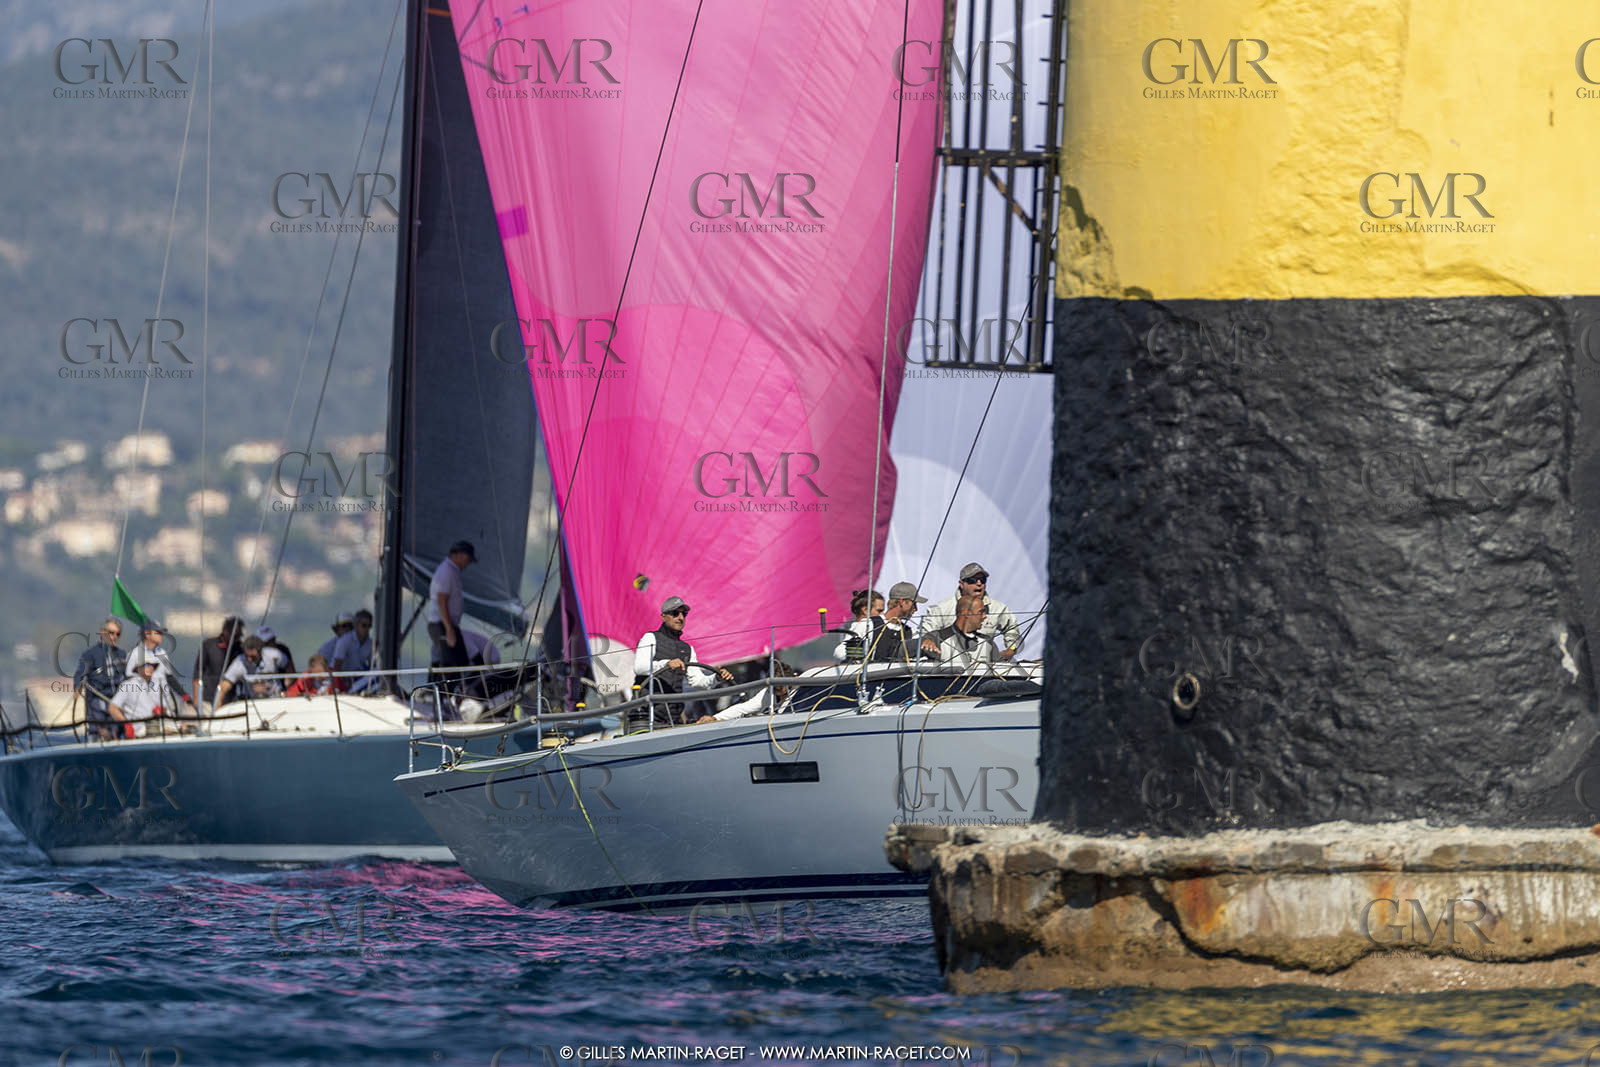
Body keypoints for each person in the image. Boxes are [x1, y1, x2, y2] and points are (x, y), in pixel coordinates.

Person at [632, 595, 733, 724]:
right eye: (675, 613)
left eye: (684, 614)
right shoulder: (650, 638)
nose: (680, 618)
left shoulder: (687, 649)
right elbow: (639, 668)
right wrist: (666, 664)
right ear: (663, 616)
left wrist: (716, 678)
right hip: (647, 717)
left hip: (674, 718)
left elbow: (697, 682)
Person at [920, 562, 1022, 660]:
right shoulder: (941, 609)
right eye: (973, 580)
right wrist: (928, 640)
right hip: (949, 668)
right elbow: (923, 634)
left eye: (983, 580)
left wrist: (1011, 650)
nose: (979, 583)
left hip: (983, 667)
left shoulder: (999, 608)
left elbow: (1012, 629)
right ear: (961, 584)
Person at [428, 541, 475, 692]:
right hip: (442, 624)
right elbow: (442, 601)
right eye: (468, 559)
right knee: (449, 664)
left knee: (461, 662)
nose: (468, 564)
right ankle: (442, 698)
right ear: (460, 555)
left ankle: (452, 696)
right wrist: (448, 629)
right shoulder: (446, 571)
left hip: (448, 624)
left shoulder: (452, 571)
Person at [125, 621, 196, 719]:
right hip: (144, 707)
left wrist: (184, 695)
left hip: (164, 704)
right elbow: (130, 681)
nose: (161, 635)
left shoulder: (162, 653)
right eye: (158, 632)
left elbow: (169, 678)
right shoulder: (135, 654)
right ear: (147, 634)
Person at [72, 617, 127, 740]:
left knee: (118, 732)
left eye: (117, 634)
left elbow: (129, 676)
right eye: (111, 633)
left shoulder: (122, 654)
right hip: (97, 703)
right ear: (102, 632)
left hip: (116, 704)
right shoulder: (90, 654)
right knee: (98, 733)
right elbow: (80, 673)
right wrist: (77, 688)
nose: (114, 637)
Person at [861, 582, 942, 664]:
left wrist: (927, 640)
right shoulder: (869, 625)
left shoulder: (909, 632)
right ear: (902, 602)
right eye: (914, 604)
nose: (916, 609)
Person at [924, 593, 999, 668]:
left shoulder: (988, 642)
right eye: (981, 612)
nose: (985, 616)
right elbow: (913, 651)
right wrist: (923, 641)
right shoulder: (936, 638)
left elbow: (1003, 671)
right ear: (966, 614)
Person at [214, 635, 290, 709]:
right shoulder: (239, 663)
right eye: (247, 656)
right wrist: (218, 705)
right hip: (251, 702)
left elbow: (288, 666)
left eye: (253, 657)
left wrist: (288, 684)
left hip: (275, 699)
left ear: (260, 652)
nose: (249, 659)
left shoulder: (274, 655)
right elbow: (225, 685)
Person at [108, 658, 167, 739]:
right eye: (147, 665)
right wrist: (127, 725)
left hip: (158, 727)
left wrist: (160, 710)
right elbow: (113, 708)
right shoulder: (127, 685)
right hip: (139, 729)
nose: (151, 668)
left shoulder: (157, 685)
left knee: (183, 727)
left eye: (153, 665)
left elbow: (164, 708)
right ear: (139, 669)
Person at [193, 616, 244, 707]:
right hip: (209, 698)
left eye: (239, 636)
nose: (237, 640)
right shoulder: (208, 645)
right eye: (235, 636)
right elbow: (197, 673)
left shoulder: (240, 649)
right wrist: (197, 699)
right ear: (225, 631)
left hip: (230, 700)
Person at [832, 588, 884, 663]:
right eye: (879, 611)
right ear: (865, 610)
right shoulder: (861, 626)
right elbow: (840, 652)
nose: (882, 615)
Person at [330, 609, 377, 693]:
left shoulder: (370, 644)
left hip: (358, 679)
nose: (367, 629)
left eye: (369, 626)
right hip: (343, 679)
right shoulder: (344, 641)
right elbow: (337, 666)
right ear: (356, 625)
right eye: (363, 625)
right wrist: (343, 683)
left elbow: (372, 665)